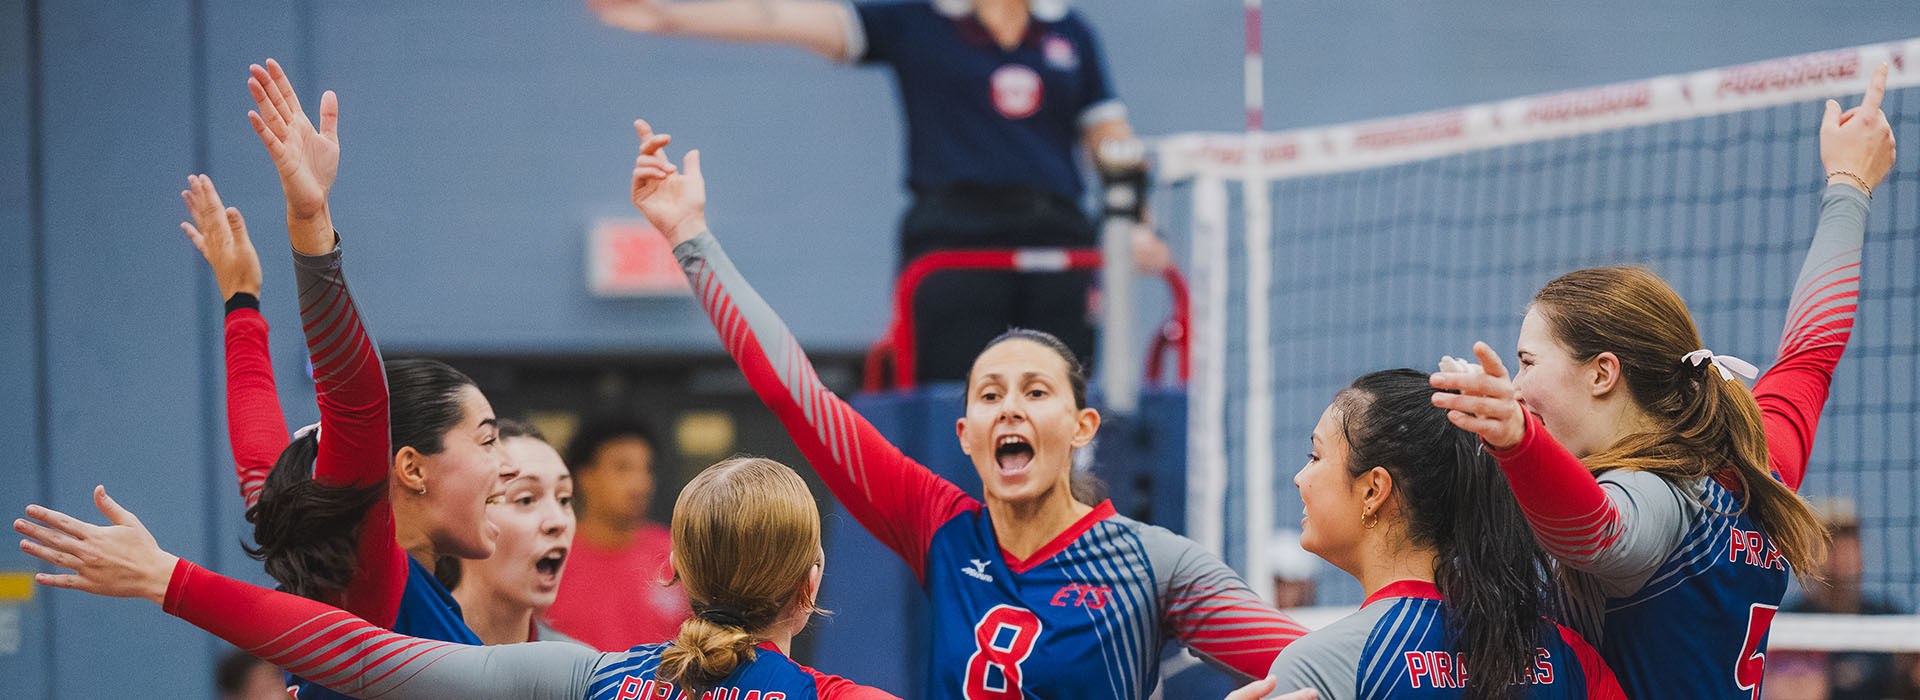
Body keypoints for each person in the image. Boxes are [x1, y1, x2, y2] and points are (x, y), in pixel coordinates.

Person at [626, 119, 1307, 700]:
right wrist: (691, 239)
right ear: (967, 435)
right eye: (989, 395)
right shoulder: (942, 529)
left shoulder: (1154, 563)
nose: (1009, 408)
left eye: (1036, 391)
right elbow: (797, 395)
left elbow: (1314, 665)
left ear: (1082, 427)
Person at [1429, 65, 1897, 700]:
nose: (1516, 386)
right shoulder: (1757, 457)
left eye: (1528, 363)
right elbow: (1809, 353)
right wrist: (1849, 186)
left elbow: (1595, 530)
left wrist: (1516, 442)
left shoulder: (1657, 501)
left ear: (1603, 373)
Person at [590, 0, 1169, 382]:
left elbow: (1111, 141)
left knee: (1060, 394)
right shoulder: (916, 18)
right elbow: (783, 17)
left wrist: (1135, 222)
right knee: (957, 401)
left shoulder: (1070, 32)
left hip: (1059, 243)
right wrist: (670, 13)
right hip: (954, 243)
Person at [181, 59, 517, 700]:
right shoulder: (373, 578)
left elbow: (263, 463)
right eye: (486, 439)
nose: (508, 467)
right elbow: (357, 398)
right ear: (410, 467)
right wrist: (310, 223)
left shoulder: (343, 569)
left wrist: (242, 303)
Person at [14, 460, 898, 700]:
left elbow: (360, 657)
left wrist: (169, 578)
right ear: (810, 581)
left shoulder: (590, 679)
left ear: (675, 572)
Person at [1267, 369, 1624, 700]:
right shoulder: (1569, 656)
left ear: (1374, 490)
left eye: (1314, 456)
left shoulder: (1315, 669)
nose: (1300, 478)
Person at [544, 416, 687, 649]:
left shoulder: (678, 555)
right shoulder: (550, 558)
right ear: (585, 477)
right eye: (623, 468)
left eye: (647, 469)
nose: (640, 484)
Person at [447, 419, 582, 646]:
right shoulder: (399, 659)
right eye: (526, 499)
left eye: (564, 499)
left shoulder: (582, 672)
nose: (558, 521)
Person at [1781, 498, 1909, 700]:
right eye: (1832, 540)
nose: (1844, 549)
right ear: (1812, 553)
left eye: (1850, 538)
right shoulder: (1787, 624)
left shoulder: (1888, 617)